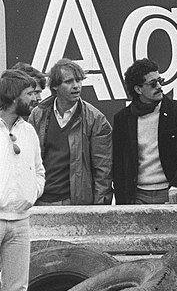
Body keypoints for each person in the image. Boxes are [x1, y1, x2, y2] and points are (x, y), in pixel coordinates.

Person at [0, 69, 45, 291]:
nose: (36, 98)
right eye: (30, 93)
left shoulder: (28, 130)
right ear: (14, 94)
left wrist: (32, 191)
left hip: (20, 223)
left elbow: (39, 169)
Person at [112, 58, 177, 205]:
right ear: (138, 89)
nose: (159, 86)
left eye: (160, 80)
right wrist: (123, 203)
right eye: (153, 84)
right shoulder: (123, 119)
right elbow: (118, 165)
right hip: (137, 197)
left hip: (171, 193)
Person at [28, 59, 113, 205]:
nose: (76, 86)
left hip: (75, 202)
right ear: (55, 86)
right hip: (40, 200)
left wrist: (100, 209)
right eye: (69, 82)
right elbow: (29, 161)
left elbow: (103, 171)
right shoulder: (38, 114)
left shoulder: (95, 119)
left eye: (78, 80)